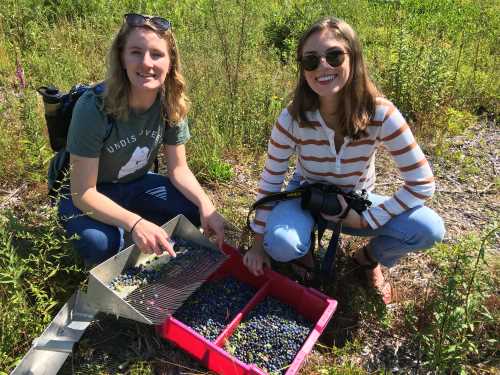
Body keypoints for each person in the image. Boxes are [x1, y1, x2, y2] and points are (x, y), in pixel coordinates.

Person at [243, 17, 445, 304]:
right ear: (303, 69)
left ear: (354, 57)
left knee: (429, 229)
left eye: (334, 55)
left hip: (356, 204)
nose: (323, 66)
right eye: (311, 61)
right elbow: (271, 181)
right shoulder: (292, 117)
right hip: (307, 196)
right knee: (281, 244)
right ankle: (303, 255)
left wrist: (367, 218)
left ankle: (366, 260)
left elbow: (422, 183)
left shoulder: (381, 114)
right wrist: (258, 244)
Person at [58, 13, 224, 266]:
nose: (146, 63)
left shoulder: (170, 103)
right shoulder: (94, 107)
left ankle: (138, 230)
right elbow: (83, 192)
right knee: (102, 244)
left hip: (135, 182)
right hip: (88, 192)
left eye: (156, 54)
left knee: (193, 212)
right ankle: (122, 235)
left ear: (170, 62)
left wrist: (207, 205)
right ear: (122, 58)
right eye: (136, 52)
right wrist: (134, 223)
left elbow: (179, 169)